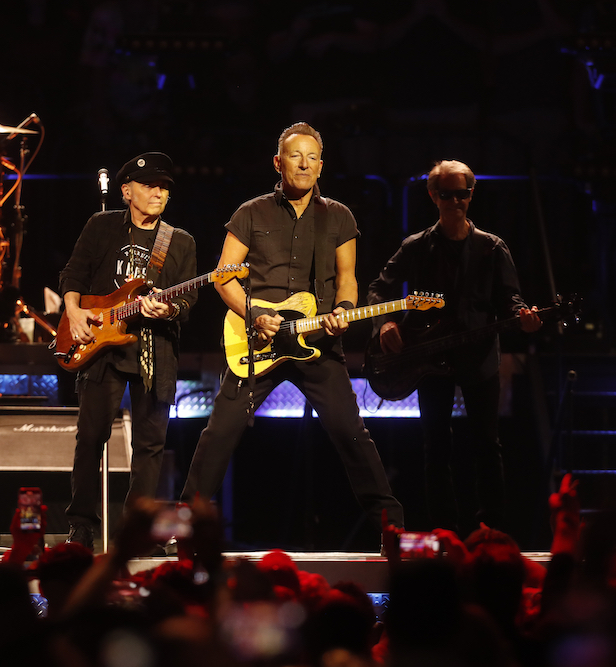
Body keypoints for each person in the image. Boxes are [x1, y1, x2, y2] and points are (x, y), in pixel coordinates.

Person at [180, 121, 404, 534]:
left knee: (352, 435)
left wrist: (344, 310)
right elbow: (223, 278)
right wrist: (254, 315)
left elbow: (348, 278)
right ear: (278, 163)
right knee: (219, 434)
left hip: (316, 341)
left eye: (312, 157)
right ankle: (182, 529)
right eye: (295, 156)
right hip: (258, 341)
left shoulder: (339, 216)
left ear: (321, 165)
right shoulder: (250, 212)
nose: (304, 164)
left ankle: (392, 529)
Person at [366, 160, 541, 535]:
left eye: (462, 194)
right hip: (429, 358)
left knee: (487, 445)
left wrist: (523, 316)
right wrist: (385, 324)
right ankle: (444, 531)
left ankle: (492, 530)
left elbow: (510, 298)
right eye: (447, 194)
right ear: (433, 196)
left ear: (471, 194)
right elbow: (379, 288)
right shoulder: (416, 246)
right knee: (436, 445)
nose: (456, 201)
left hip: (479, 356)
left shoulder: (491, 247)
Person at [60, 151, 197, 549]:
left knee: (150, 446)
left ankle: (135, 532)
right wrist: (74, 313)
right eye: (150, 185)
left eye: (164, 187)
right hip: (102, 347)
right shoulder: (101, 226)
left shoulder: (180, 241)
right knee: (91, 436)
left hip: (156, 352)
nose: (158, 193)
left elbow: (187, 302)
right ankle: (81, 525)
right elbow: (73, 275)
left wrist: (168, 308)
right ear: (126, 191)